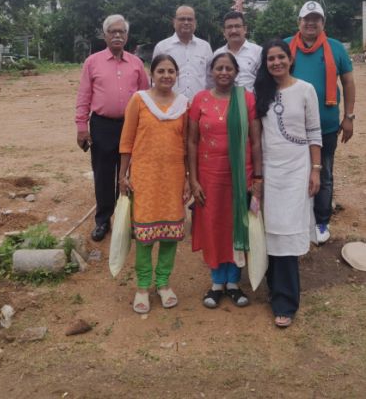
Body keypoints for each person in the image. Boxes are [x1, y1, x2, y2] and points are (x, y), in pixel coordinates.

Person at [254, 39, 322, 328]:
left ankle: (286, 301)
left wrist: (316, 170)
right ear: (265, 63)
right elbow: (256, 138)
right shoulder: (260, 92)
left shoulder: (305, 89)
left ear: (290, 58)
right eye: (270, 59)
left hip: (297, 170)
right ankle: (273, 288)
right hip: (270, 171)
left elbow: (314, 132)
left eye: (280, 57)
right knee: (270, 230)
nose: (276, 63)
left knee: (287, 232)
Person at [188, 52, 262, 309]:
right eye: (219, 68)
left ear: (236, 71)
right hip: (209, 175)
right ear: (211, 71)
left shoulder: (247, 99)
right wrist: (193, 180)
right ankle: (217, 282)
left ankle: (234, 282)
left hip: (241, 175)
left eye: (228, 68)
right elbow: (192, 141)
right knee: (213, 224)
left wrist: (257, 177)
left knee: (236, 224)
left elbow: (255, 140)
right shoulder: (200, 100)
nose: (223, 72)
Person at [118, 54, 190, 314]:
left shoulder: (184, 105)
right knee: (145, 236)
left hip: (173, 177)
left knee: (170, 234)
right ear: (152, 73)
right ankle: (142, 286)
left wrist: (188, 179)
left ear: (177, 75)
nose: (166, 75)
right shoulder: (139, 100)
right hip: (145, 177)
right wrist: (123, 176)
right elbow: (126, 141)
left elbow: (187, 146)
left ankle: (163, 282)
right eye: (161, 70)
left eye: (171, 71)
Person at [285, 1, 356, 244]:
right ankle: (297, 218)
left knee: (323, 173)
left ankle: (321, 221)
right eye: (306, 19)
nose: (311, 23)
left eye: (316, 19)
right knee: (294, 173)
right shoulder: (285, 47)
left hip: (325, 126)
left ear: (322, 23)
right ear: (299, 22)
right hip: (291, 128)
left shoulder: (335, 48)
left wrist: (349, 117)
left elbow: (348, 82)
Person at [76, 14, 149, 242]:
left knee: (130, 174)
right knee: (103, 174)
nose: (117, 35)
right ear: (105, 35)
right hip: (102, 126)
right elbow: (84, 96)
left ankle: (127, 219)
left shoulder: (136, 63)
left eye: (121, 32)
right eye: (112, 32)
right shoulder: (92, 62)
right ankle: (102, 220)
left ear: (127, 36)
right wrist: (81, 126)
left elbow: (146, 96)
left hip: (131, 126)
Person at [152, 5, 213, 100]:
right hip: (170, 105)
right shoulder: (162, 47)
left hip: (199, 105)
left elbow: (211, 79)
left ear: (195, 22)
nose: (186, 22)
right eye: (182, 19)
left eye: (190, 19)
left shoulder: (205, 47)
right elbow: (155, 79)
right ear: (174, 22)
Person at [213, 11, 262, 92]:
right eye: (229, 27)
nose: (234, 31)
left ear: (245, 29)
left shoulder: (258, 52)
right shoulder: (217, 54)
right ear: (224, 31)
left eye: (237, 26)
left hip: (252, 102)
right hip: (224, 102)